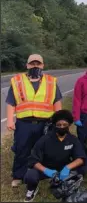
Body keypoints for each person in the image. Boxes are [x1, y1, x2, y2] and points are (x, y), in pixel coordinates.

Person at [6, 54, 62, 188]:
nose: (35, 66)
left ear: (42, 66)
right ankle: (18, 175)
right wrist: (9, 120)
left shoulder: (51, 82)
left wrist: (59, 122)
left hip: (45, 123)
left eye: (38, 64)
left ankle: (42, 173)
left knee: (44, 149)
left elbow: (57, 102)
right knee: (21, 149)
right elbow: (10, 102)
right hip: (24, 123)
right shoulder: (17, 81)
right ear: (27, 65)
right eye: (32, 64)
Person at [23, 110, 87, 202]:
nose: (62, 127)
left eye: (65, 125)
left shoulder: (73, 139)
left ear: (69, 125)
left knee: (83, 169)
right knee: (30, 175)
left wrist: (67, 168)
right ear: (54, 125)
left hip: (63, 168)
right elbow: (33, 160)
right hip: (46, 169)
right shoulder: (44, 139)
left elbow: (81, 158)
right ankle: (31, 190)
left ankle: (68, 183)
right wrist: (46, 170)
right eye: (59, 125)